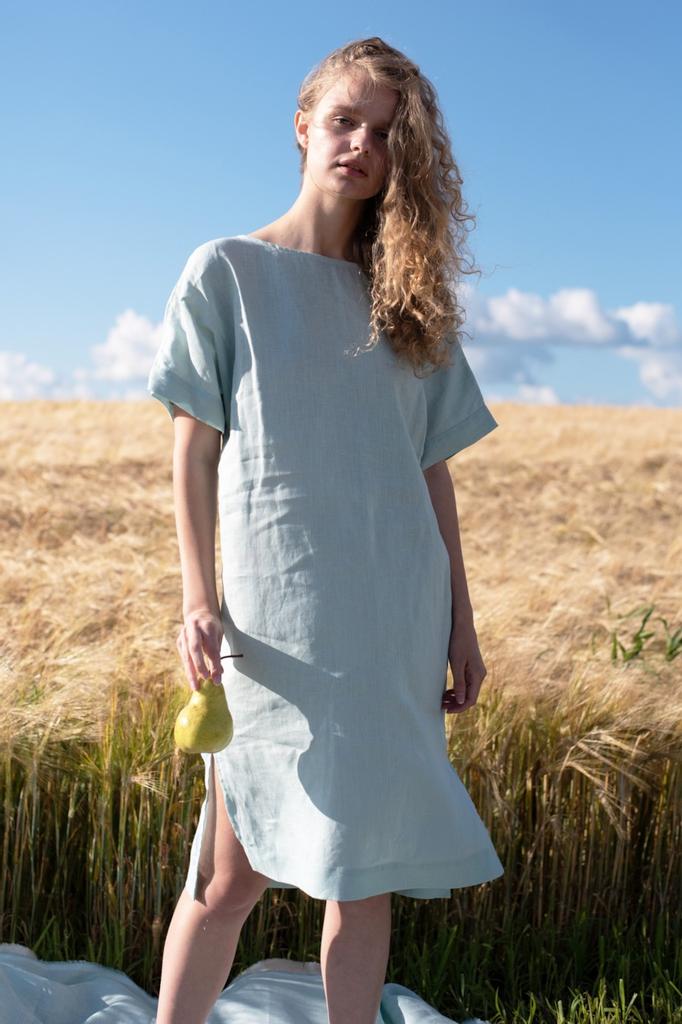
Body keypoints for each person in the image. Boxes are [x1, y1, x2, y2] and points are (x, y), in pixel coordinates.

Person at [147, 35, 504, 1024]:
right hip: (275, 619)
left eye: (385, 134)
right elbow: (193, 452)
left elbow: (431, 474)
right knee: (227, 875)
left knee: (364, 872)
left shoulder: (409, 304)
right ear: (303, 126)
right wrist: (197, 601)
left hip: (393, 615)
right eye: (345, 121)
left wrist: (462, 622)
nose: (361, 145)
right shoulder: (227, 272)